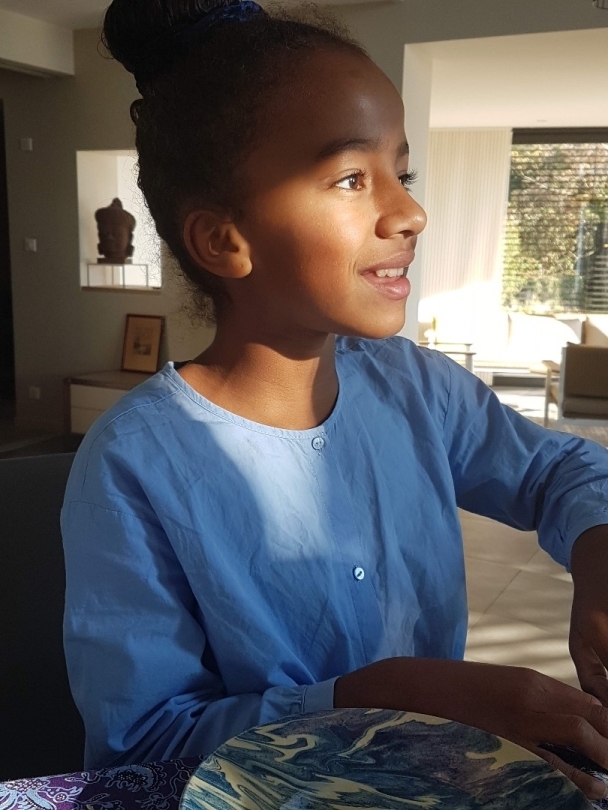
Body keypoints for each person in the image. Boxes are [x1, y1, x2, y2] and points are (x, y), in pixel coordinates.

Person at [61, 0, 608, 800]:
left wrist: (597, 547)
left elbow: (562, 471)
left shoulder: (417, 389)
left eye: (402, 173)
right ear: (225, 240)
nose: (411, 212)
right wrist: (394, 697)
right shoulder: (134, 464)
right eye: (353, 178)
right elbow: (144, 751)